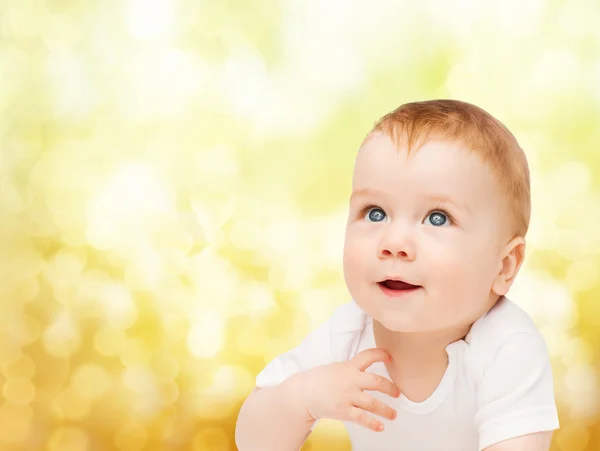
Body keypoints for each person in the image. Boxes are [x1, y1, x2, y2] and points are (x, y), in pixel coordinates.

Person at [235, 99, 560, 451]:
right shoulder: (348, 333)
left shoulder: (508, 348)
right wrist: (303, 398)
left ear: (505, 265)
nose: (393, 243)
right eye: (375, 213)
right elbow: (253, 441)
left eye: (438, 218)